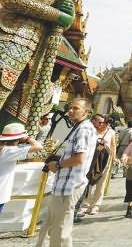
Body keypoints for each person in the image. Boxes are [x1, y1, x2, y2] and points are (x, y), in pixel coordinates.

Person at [35, 98, 96, 247]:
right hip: (62, 184)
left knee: (60, 230)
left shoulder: (84, 129)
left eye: (75, 108)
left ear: (86, 112)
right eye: (70, 107)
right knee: (48, 225)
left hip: (70, 186)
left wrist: (58, 164)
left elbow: (79, 157)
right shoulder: (78, 127)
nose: (70, 111)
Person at [0, 123, 43, 214]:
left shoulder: (5, 149)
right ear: (19, 139)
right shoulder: (9, 151)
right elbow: (38, 146)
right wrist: (28, 138)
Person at [82, 113, 117, 215]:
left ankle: (96, 205)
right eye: (105, 123)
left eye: (108, 123)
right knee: (90, 181)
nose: (106, 125)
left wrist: (114, 158)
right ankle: (85, 204)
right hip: (91, 159)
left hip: (104, 160)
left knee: (101, 182)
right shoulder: (93, 130)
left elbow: (113, 145)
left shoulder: (111, 132)